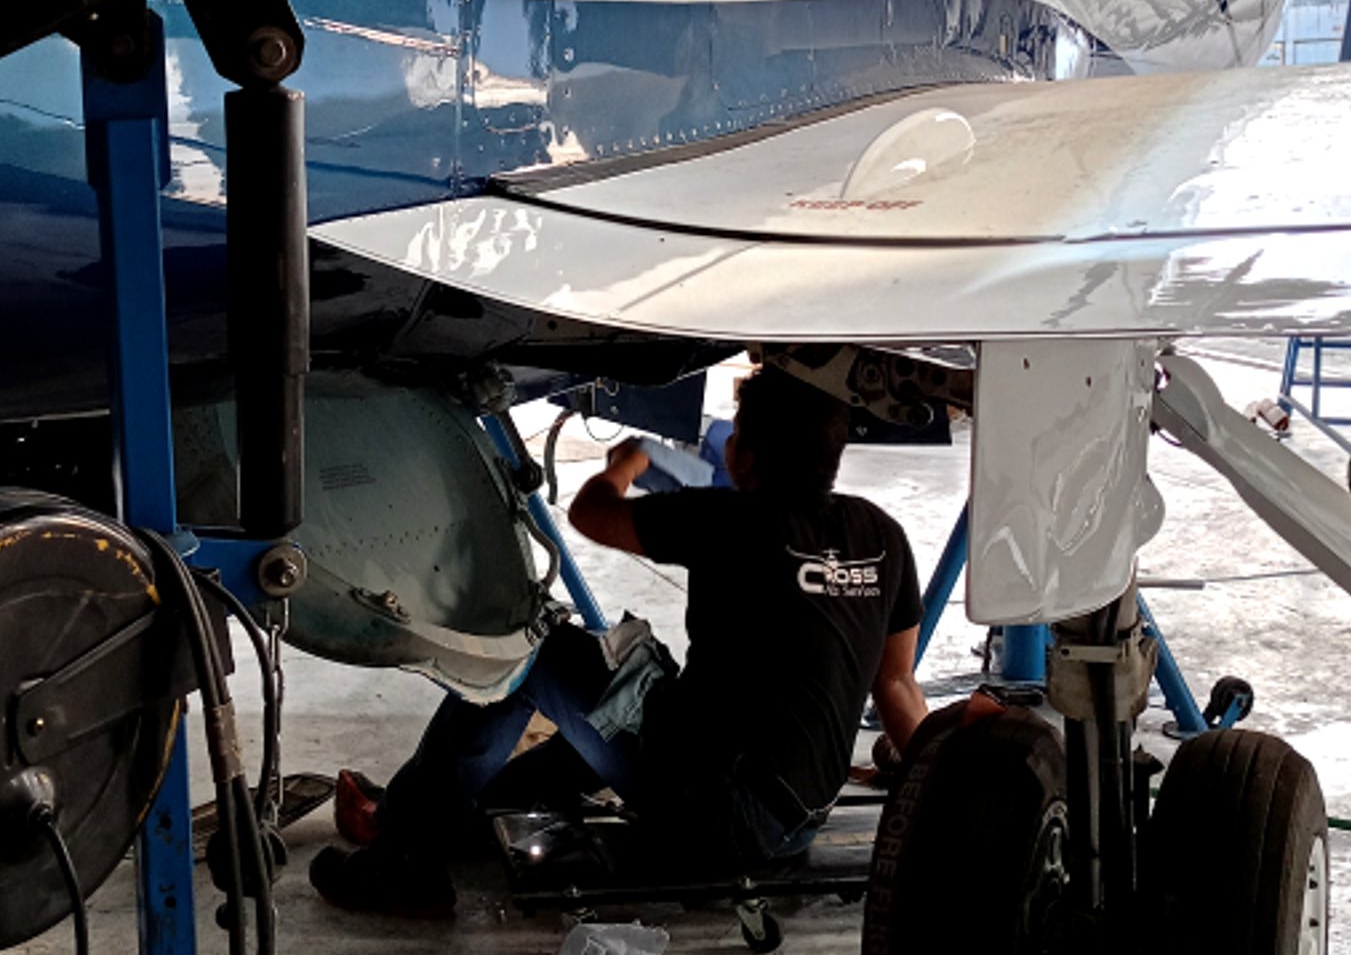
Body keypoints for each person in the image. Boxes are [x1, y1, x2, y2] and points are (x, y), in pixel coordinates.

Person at [309, 364, 927, 916]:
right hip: (796, 823)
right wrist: (942, 798)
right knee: (612, 685)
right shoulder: (881, 535)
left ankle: (404, 856)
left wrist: (623, 467)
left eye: (736, 433)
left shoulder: (728, 520)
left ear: (749, 455)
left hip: (718, 816)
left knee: (536, 652)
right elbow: (896, 684)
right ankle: (469, 816)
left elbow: (591, 514)